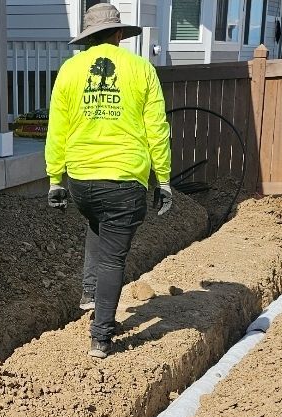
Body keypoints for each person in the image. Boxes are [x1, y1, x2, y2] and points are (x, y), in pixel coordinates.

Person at [45, 2, 173, 360]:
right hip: (124, 182)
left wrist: (56, 178)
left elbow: (58, 129)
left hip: (81, 180)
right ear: (119, 35)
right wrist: (163, 179)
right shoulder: (142, 69)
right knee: (113, 259)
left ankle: (89, 292)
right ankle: (101, 337)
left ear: (88, 38)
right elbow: (157, 130)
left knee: (95, 221)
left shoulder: (70, 71)